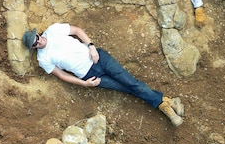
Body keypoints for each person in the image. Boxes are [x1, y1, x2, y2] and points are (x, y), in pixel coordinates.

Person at [24, 23, 185, 126]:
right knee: (127, 89)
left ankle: (164, 106)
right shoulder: (43, 59)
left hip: (99, 58)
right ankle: (168, 101)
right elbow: (61, 75)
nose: (38, 42)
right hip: (89, 76)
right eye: (35, 44)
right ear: (34, 48)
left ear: (38, 34)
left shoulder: (53, 31)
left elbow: (77, 30)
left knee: (132, 83)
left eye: (36, 38)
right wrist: (85, 84)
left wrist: (91, 46)